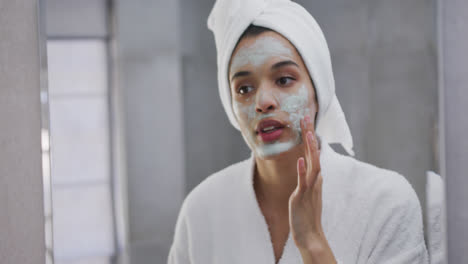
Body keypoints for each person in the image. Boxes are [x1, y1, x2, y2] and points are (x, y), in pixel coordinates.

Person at [168, 0, 429, 263]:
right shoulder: (201, 211)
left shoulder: (386, 204)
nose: (262, 102)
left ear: (319, 90)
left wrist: (313, 243)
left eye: (284, 80)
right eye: (244, 89)